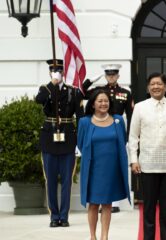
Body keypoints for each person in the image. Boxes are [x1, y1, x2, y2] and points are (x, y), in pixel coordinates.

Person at [128, 72, 166, 240]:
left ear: (165, 86)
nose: (156, 86)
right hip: (147, 164)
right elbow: (133, 137)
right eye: (152, 84)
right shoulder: (140, 107)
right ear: (148, 87)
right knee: (148, 208)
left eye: (159, 84)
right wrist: (134, 160)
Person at [35, 59, 84, 227]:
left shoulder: (73, 91)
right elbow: (38, 100)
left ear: (64, 73)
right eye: (54, 71)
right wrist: (52, 84)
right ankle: (53, 216)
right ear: (50, 73)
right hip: (49, 139)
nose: (57, 74)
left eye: (60, 71)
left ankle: (64, 216)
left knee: (66, 181)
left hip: (68, 139)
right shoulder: (45, 89)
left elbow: (81, 117)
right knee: (50, 180)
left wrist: (80, 143)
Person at [77, 89, 131, 240]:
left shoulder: (118, 120)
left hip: (111, 169)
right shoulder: (84, 122)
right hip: (93, 169)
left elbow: (122, 141)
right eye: (100, 101)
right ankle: (93, 236)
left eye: (106, 101)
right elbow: (81, 144)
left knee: (107, 204)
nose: (103, 104)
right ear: (93, 104)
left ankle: (104, 236)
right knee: (93, 204)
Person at [82, 64, 133, 212]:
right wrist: (89, 81)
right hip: (99, 129)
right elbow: (80, 93)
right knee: (102, 167)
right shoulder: (99, 92)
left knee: (114, 165)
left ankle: (114, 202)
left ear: (118, 76)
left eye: (114, 75)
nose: (111, 77)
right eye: (108, 75)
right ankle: (101, 199)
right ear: (105, 76)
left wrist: (129, 137)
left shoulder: (125, 92)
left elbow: (131, 115)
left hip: (116, 131)